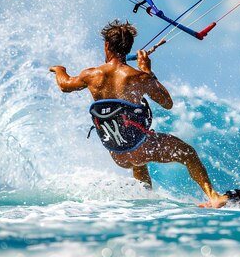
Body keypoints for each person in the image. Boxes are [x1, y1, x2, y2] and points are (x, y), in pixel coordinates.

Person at [49, 20, 228, 208]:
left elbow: (65, 85)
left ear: (107, 45)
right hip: (139, 147)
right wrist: (148, 71)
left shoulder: (91, 75)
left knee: (136, 153)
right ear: (128, 47)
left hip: (117, 152)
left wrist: (59, 70)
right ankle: (213, 197)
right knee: (187, 153)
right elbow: (167, 103)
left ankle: (145, 201)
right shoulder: (137, 77)